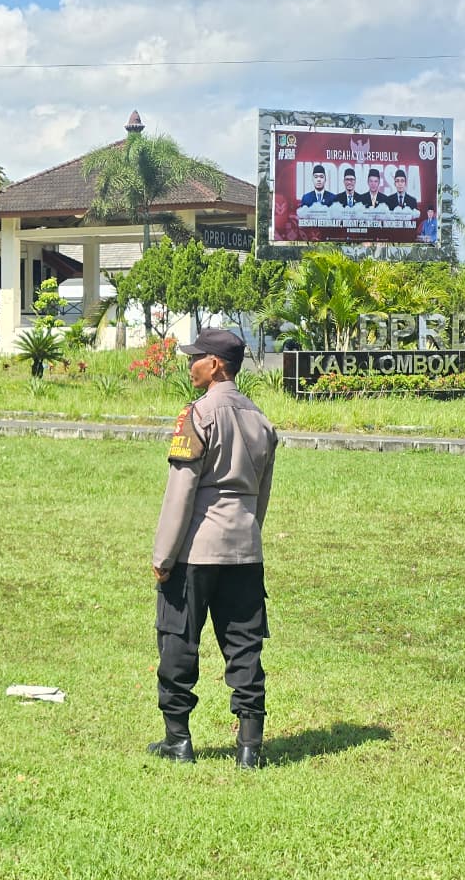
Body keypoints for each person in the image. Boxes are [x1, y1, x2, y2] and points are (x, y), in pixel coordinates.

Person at [147, 328, 278, 769]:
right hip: (245, 549)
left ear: (216, 365)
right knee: (245, 645)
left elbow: (181, 492)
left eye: (196, 357)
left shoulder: (197, 415)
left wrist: (163, 556)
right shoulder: (260, 419)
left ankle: (178, 740)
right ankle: (249, 748)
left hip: (196, 551)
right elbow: (262, 495)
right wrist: (248, 535)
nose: (190, 365)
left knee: (178, 639)